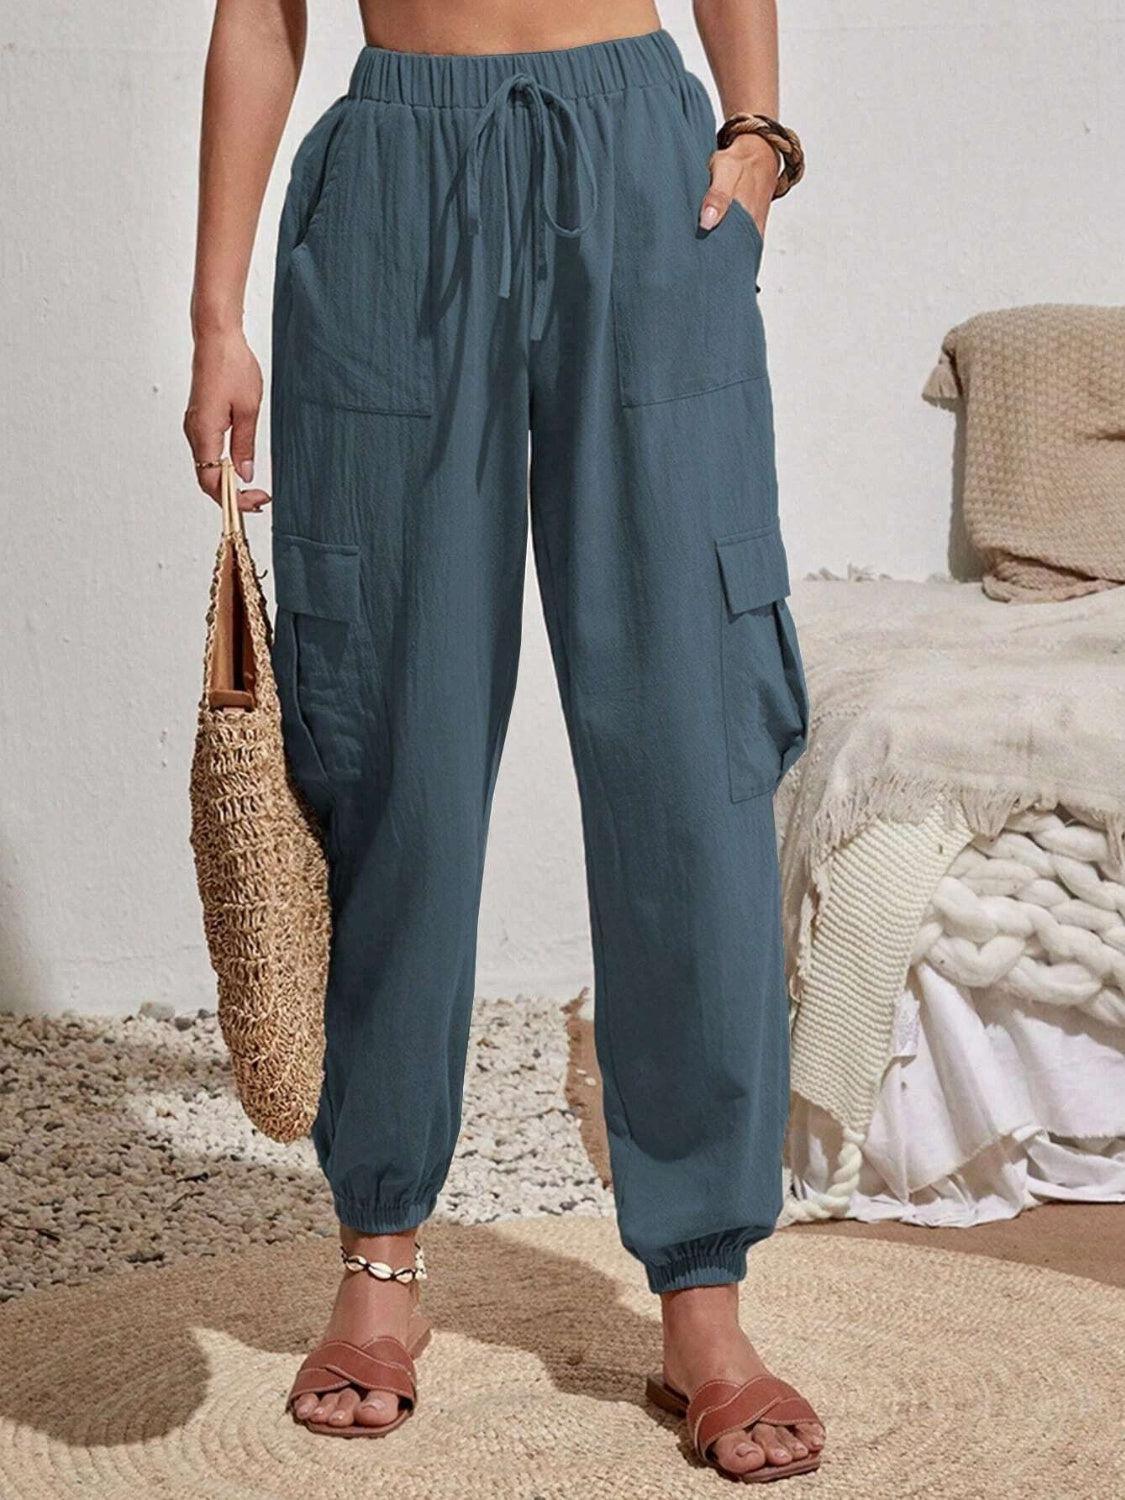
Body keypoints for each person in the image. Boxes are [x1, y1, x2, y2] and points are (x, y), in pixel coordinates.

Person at [184, 0, 820, 1480]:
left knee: (686, 740)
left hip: (641, 160)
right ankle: (381, 1254)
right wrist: (217, 316)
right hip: (397, 172)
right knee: (388, 728)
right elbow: (256, 15)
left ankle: (702, 1294)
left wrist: (756, 127)